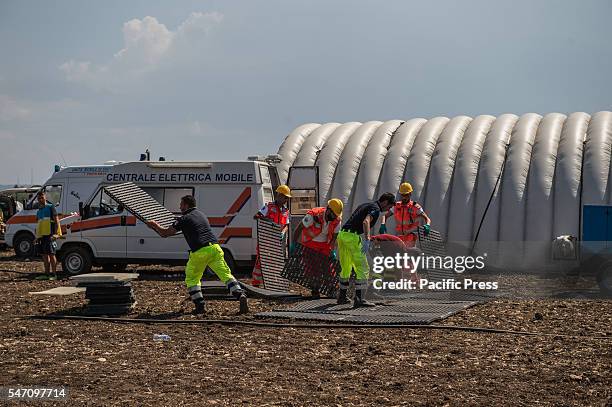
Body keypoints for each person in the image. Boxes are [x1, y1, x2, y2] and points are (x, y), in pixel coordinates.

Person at [147, 195, 248, 315]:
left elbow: (165, 233)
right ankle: (240, 294)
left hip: (200, 251)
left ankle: (200, 306)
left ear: (186, 205)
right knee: (225, 274)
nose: (179, 206)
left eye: (181, 204)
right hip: (215, 248)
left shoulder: (183, 219)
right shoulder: (201, 214)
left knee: (192, 278)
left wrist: (154, 225)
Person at [336, 192, 395, 307]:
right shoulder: (376, 209)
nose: (389, 209)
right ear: (386, 202)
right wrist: (367, 239)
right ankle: (359, 299)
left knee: (346, 267)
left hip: (342, 235)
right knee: (363, 267)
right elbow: (366, 221)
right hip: (352, 238)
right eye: (390, 206)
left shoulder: (365, 205)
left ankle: (342, 297)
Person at [291, 198, 343, 297]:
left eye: (336, 215)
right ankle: (315, 290)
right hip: (310, 244)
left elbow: (334, 237)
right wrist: (294, 244)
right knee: (312, 269)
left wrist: (332, 249)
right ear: (328, 210)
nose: (334, 217)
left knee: (329, 269)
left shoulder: (337, 220)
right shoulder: (314, 215)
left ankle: (332, 290)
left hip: (325, 245)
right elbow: (299, 228)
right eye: (333, 215)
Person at [251, 184, 291, 286]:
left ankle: (272, 284)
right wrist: (268, 221)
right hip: (265, 240)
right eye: (285, 197)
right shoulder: (268, 207)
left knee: (274, 263)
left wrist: (282, 233)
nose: (286, 200)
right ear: (279, 196)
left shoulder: (286, 211)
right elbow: (256, 216)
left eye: (287, 198)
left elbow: (286, 225)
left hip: (276, 242)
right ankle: (255, 284)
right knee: (260, 263)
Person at [379, 182, 431, 247]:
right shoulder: (397, 206)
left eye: (406, 195)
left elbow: (427, 219)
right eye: (402, 195)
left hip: (411, 237)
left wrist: (427, 225)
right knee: (399, 255)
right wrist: (383, 224)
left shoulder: (415, 207)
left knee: (408, 255)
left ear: (410, 194)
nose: (404, 197)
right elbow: (385, 216)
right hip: (399, 237)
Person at [35, 191, 62, 279]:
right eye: (39, 198)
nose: (40, 199)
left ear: (45, 197)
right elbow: (38, 224)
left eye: (42, 197)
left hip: (50, 235)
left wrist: (57, 233)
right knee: (44, 255)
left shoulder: (51, 207)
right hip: (42, 236)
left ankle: (54, 274)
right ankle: (46, 274)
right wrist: (37, 236)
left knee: (51, 254)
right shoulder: (39, 211)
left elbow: (57, 220)